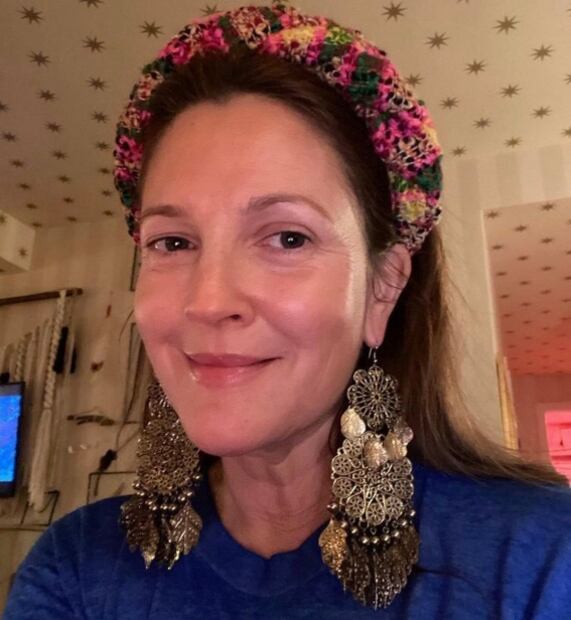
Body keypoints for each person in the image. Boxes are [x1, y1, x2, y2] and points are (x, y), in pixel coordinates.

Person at [5, 3, 571, 619]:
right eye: (173, 242)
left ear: (382, 288)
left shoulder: (540, 560)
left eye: (288, 238)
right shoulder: (74, 567)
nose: (208, 301)